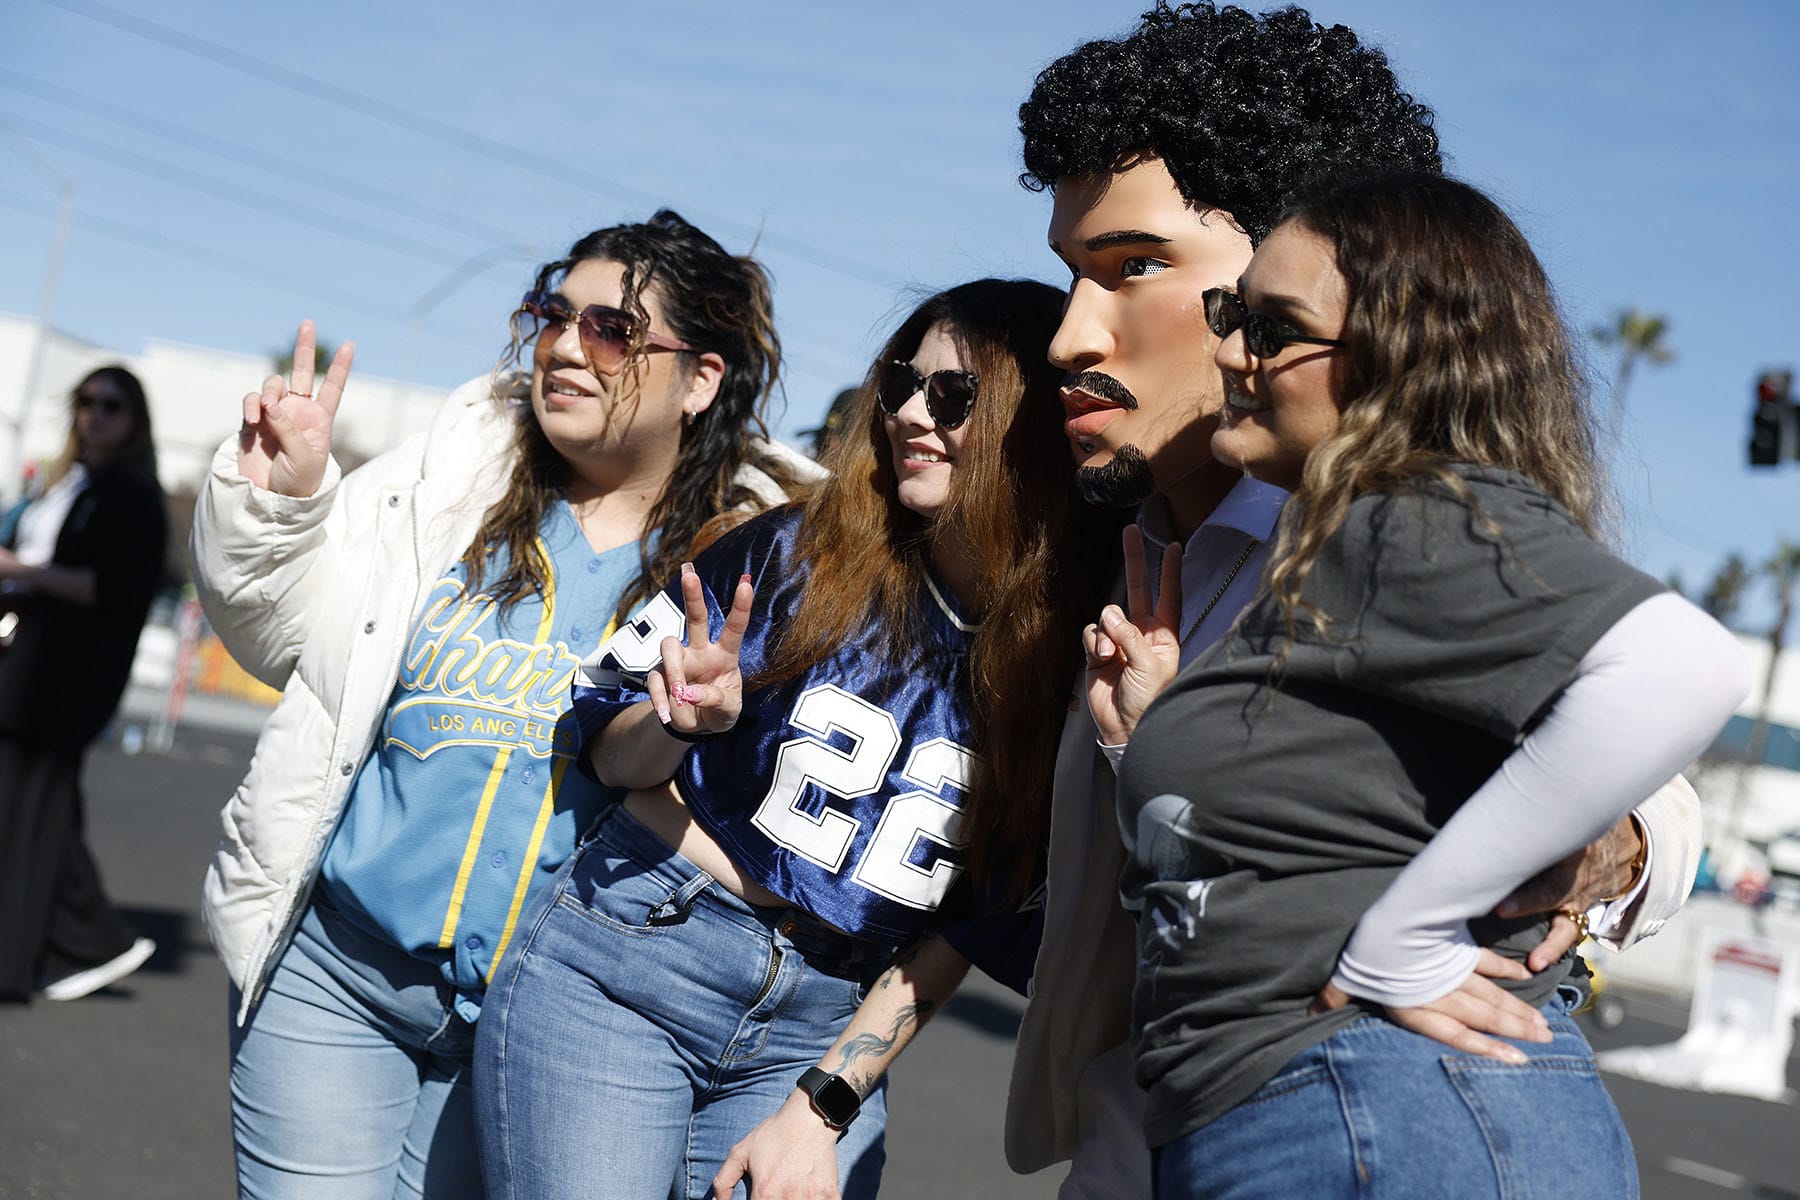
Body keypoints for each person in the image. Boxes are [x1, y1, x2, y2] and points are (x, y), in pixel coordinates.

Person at [1006, 5, 1707, 1195]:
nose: (1074, 332)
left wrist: (1594, 845)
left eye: (1139, 267)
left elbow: (1658, 773)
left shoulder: (1370, 528)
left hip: (1381, 1118)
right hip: (1184, 1136)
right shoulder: (1111, 544)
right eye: (1072, 274)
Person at [190, 210, 819, 1199]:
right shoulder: (448, 484)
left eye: (612, 329)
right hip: (339, 974)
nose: (566, 345)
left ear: (700, 379)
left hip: (554, 1025)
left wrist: (693, 721)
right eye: (551, 315)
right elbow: (284, 644)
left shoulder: (762, 565)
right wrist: (277, 505)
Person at [474, 279, 1114, 1200]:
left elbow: (976, 916)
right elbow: (608, 755)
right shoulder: (784, 553)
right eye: (900, 382)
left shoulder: (1067, 656)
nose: (908, 415)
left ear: (1031, 424)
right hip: (634, 958)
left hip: (823, 1021)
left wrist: (825, 1103)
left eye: (954, 395)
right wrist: (673, 719)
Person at [0, 364, 166, 1003]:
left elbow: (110, 587)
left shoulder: (129, 494)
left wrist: (25, 570)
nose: (95, 415)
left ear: (135, 420)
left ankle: (73, 944)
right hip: (26, 665)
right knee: (36, 808)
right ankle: (87, 940)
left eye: (112, 405)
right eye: (86, 402)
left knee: (35, 803)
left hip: (60, 677)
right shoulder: (68, 482)